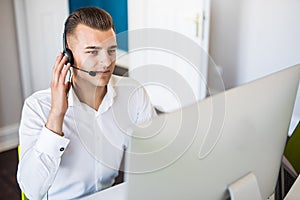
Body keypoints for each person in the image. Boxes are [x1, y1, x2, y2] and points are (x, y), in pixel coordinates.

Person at [17, 7, 156, 199]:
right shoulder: (38, 107)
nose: (106, 62)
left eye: (112, 50)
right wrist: (56, 115)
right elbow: (32, 190)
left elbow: (153, 153)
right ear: (68, 56)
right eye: (93, 52)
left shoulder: (133, 93)